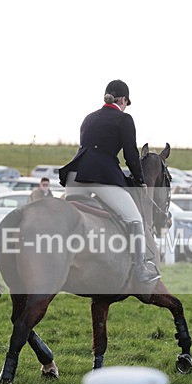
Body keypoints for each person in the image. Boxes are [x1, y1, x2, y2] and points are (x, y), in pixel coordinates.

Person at [58, 79, 160, 283]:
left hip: (74, 176)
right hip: (100, 177)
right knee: (134, 219)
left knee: (69, 218)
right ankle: (140, 268)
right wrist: (140, 180)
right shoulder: (124, 119)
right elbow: (131, 155)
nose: (124, 106)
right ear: (123, 99)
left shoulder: (89, 118)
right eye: (125, 103)